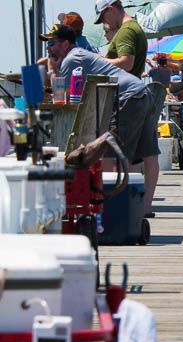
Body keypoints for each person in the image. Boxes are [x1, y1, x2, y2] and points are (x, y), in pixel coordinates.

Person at [43, 23, 159, 216]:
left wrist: (50, 70)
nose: (48, 48)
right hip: (141, 92)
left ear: (65, 44)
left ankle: (121, 208)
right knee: (146, 153)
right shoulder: (80, 54)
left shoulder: (71, 60)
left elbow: (64, 94)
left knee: (115, 152)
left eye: (52, 43)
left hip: (127, 97)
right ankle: (143, 207)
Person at [95, 0, 147, 78]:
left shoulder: (126, 30)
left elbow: (126, 64)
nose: (104, 22)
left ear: (111, 9)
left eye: (102, 17)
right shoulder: (133, 26)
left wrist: (99, 60)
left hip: (125, 88)